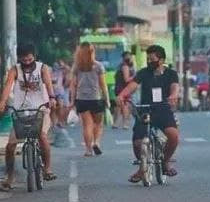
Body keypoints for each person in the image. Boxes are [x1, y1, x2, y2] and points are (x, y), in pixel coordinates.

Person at [116, 45, 179, 183]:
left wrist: (174, 95)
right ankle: (141, 168)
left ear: (161, 60)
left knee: (173, 136)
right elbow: (132, 85)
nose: (149, 62)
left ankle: (165, 162)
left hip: (163, 109)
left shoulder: (171, 73)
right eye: (148, 59)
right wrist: (122, 95)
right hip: (146, 109)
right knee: (138, 142)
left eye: (152, 59)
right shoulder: (143, 73)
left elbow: (175, 87)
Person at [0, 44, 57, 190]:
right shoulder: (15, 70)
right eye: (24, 60)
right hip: (21, 112)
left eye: (29, 59)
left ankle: (47, 169)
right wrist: (2, 102)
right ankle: (10, 177)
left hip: (41, 110)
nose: (27, 62)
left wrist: (52, 98)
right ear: (19, 59)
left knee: (42, 137)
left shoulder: (42, 68)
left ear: (34, 57)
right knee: (11, 145)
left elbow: (49, 85)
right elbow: (7, 87)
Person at [69, 42, 110, 157]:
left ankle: (88, 150)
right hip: (96, 98)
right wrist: (107, 99)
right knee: (98, 124)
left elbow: (73, 85)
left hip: (81, 99)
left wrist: (72, 101)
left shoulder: (76, 67)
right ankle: (96, 143)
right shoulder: (98, 66)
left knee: (87, 125)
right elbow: (103, 85)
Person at [113, 51, 135, 129]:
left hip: (118, 88)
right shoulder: (125, 67)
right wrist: (135, 77)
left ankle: (115, 123)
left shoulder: (120, 66)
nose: (131, 59)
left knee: (118, 106)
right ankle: (125, 123)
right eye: (130, 57)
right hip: (123, 88)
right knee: (125, 105)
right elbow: (126, 79)